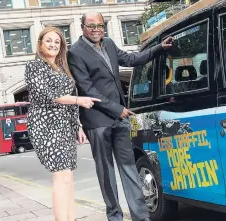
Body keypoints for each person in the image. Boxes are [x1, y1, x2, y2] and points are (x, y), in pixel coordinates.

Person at [67, 11, 174, 221]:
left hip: (119, 120)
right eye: (91, 25)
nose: (96, 29)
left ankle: (141, 216)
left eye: (99, 25)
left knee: (129, 169)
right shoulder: (75, 52)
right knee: (106, 172)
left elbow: (132, 59)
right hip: (97, 121)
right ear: (82, 27)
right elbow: (87, 88)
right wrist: (117, 109)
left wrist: (159, 48)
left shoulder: (108, 43)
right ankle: (114, 216)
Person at [24, 26, 101, 221]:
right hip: (45, 125)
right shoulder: (34, 67)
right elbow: (46, 95)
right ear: (40, 44)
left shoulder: (62, 68)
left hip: (65, 126)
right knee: (60, 176)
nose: (53, 45)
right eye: (49, 40)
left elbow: (71, 99)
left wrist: (78, 126)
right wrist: (79, 100)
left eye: (57, 42)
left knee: (68, 177)